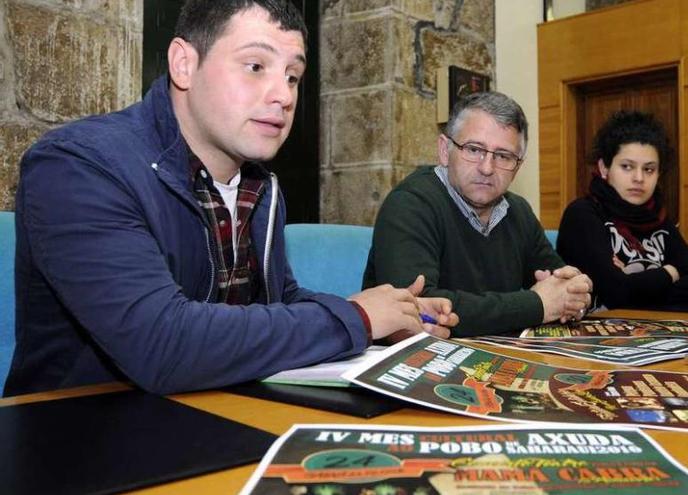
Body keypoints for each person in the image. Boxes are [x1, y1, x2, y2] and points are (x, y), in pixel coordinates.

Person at [5, 0, 456, 397]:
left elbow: (278, 299)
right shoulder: (78, 166)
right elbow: (160, 344)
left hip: (214, 412)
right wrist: (354, 319)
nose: (282, 96)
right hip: (76, 437)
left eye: (293, 76)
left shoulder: (262, 187)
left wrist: (387, 315)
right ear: (184, 64)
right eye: (256, 66)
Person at [362, 91, 592, 337]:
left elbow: (560, 283)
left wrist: (573, 293)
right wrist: (538, 305)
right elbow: (414, 309)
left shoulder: (519, 212)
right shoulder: (410, 204)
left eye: (503, 156)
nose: (486, 168)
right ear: (444, 150)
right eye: (473, 150)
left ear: (517, 167)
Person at [556, 110, 688, 309]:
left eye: (649, 169)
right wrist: (670, 272)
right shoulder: (583, 215)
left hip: (650, 329)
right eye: (627, 167)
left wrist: (633, 282)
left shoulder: (658, 218)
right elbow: (617, 293)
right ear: (604, 168)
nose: (639, 178)